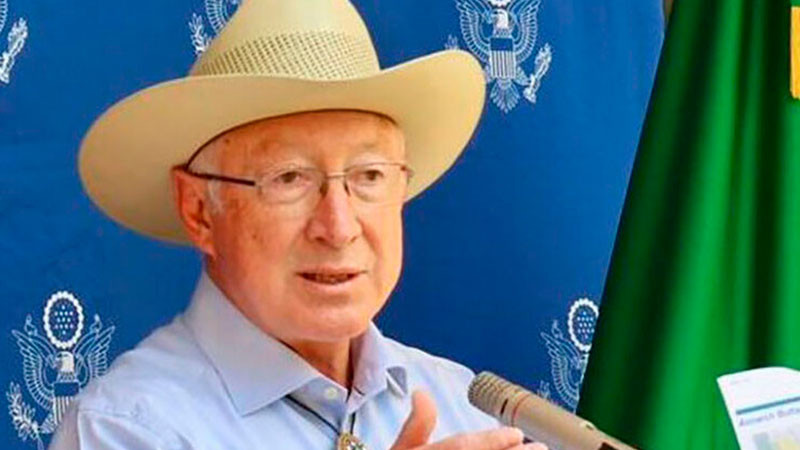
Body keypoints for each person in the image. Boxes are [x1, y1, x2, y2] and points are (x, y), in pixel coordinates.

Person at [50, 1, 548, 449]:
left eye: (369, 176)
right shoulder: (126, 429)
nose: (339, 227)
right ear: (199, 210)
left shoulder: (461, 405)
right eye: (289, 179)